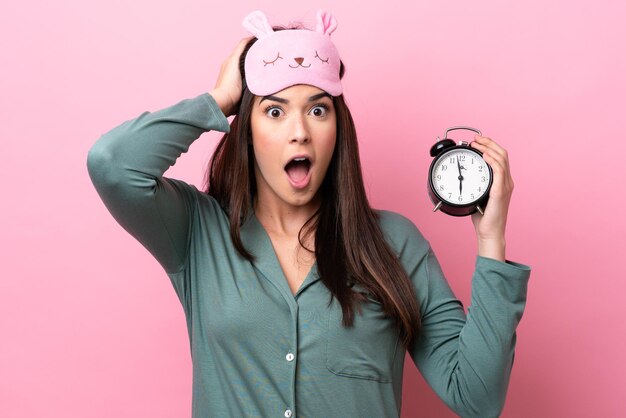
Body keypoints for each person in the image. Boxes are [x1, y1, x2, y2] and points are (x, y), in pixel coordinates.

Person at [87, 9, 531, 418]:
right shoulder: (197, 232)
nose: (299, 132)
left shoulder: (396, 244)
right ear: (247, 130)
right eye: (274, 111)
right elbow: (113, 164)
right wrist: (221, 98)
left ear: (338, 129)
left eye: (317, 110)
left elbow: (477, 396)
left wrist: (492, 243)